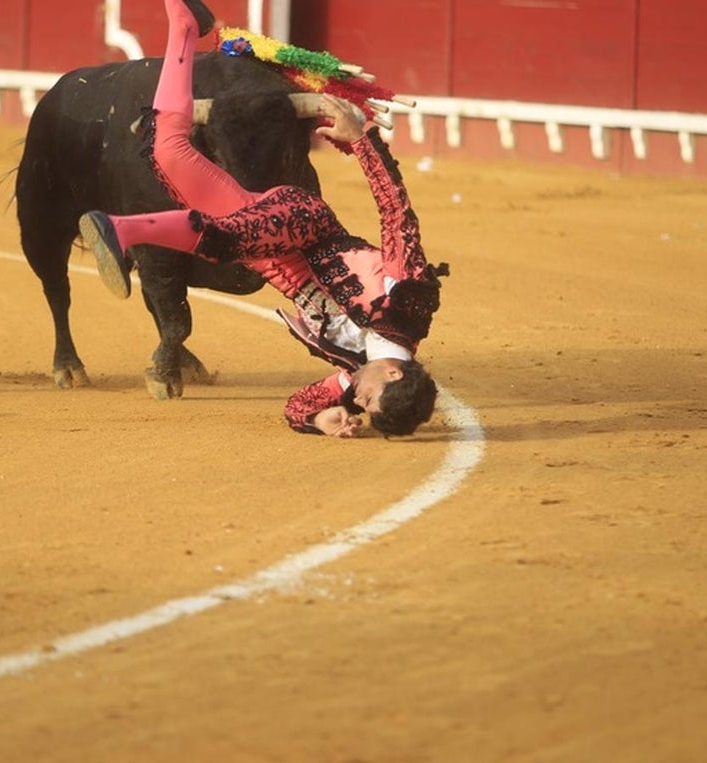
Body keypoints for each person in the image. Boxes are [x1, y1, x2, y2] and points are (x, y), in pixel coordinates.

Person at [78, 0, 447, 437]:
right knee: (229, 238)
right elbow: (397, 216)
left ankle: (183, 27)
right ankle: (121, 230)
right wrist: (363, 142)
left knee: (167, 152)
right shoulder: (408, 304)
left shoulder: (356, 369)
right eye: (366, 399)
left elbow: (299, 405)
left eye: (358, 405)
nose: (355, 400)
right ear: (394, 374)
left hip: (272, 261)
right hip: (303, 223)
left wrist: (318, 419)